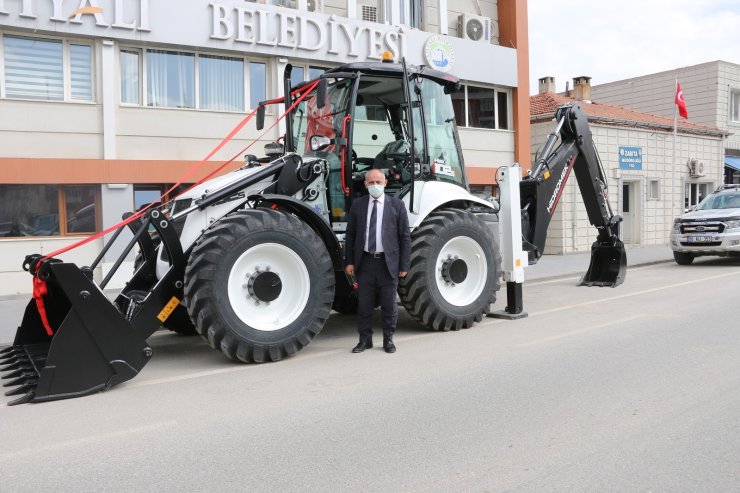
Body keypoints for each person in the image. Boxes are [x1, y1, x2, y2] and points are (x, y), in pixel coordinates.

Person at [344, 169, 411, 353]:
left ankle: (388, 340)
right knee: (364, 306)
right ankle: (364, 340)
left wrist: (404, 265)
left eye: (378, 182)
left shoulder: (397, 206)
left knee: (389, 305)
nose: (375, 185)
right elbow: (351, 236)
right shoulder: (358, 205)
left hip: (388, 264)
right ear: (365, 185)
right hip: (364, 263)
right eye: (371, 182)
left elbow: (405, 236)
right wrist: (349, 262)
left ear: (385, 183)